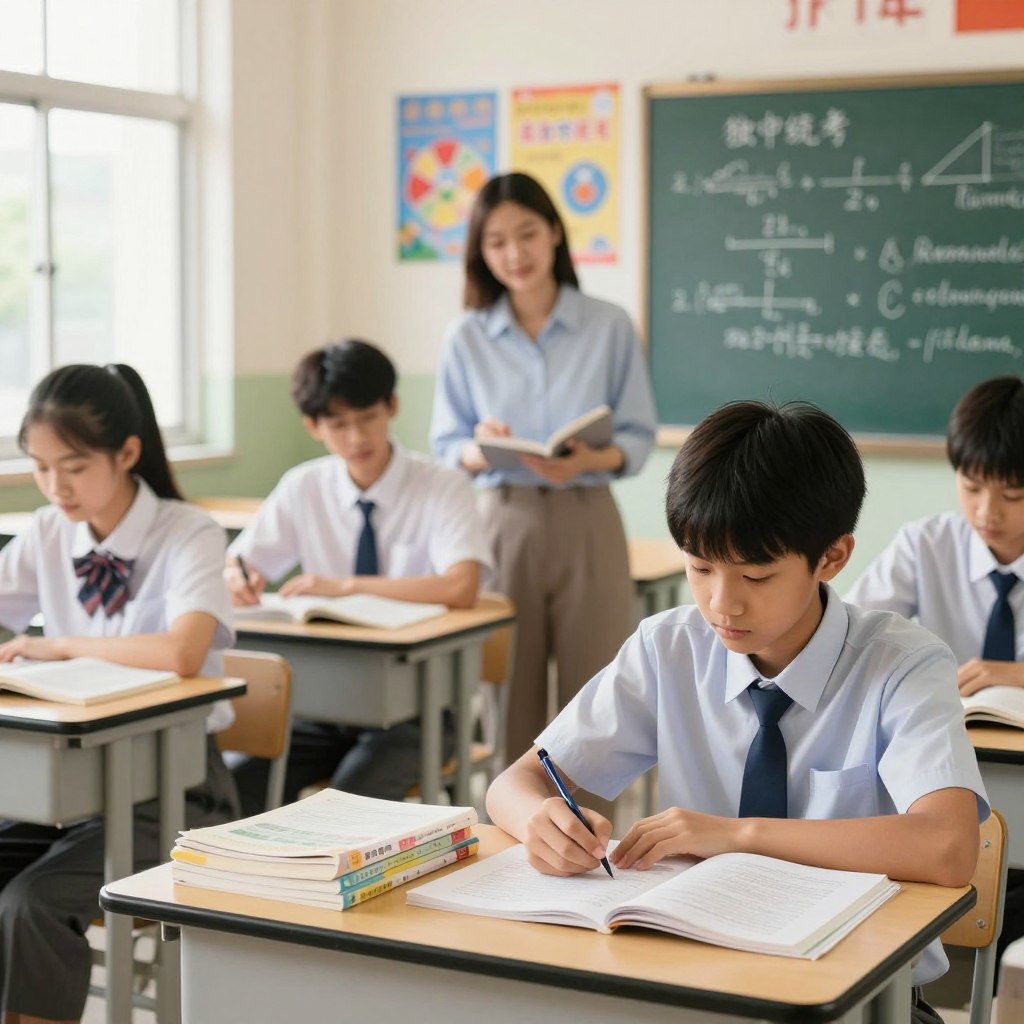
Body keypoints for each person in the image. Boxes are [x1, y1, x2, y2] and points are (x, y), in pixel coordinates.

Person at [486, 399, 986, 1023]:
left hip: (861, 999)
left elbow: (947, 846)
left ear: (831, 557)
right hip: (694, 985)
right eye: (700, 568)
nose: (722, 604)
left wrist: (735, 835)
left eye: (756, 577)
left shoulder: (902, 665)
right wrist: (540, 821)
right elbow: (516, 782)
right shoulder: (670, 647)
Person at [0, 363, 239, 1024]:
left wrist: (59, 643)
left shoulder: (186, 531)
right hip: (65, 787)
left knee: (32, 903)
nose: (55, 487)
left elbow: (183, 651)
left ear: (127, 453)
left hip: (172, 789)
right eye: (41, 467)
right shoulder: (49, 531)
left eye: (73, 467)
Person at [430, 171, 656, 767]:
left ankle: (591, 832)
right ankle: (516, 831)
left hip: (588, 516)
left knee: (596, 690)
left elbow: (637, 434)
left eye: (527, 234)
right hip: (505, 518)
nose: (515, 254)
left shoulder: (608, 325)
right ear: (481, 253)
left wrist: (591, 459)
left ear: (555, 232)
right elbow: (446, 441)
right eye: (496, 241)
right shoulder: (467, 336)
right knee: (508, 690)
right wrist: (481, 447)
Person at [226, 339, 491, 815]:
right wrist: (235, 577)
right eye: (338, 425)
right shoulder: (304, 486)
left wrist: (346, 586)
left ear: (391, 406)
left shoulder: (440, 485)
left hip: (422, 712)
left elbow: (461, 585)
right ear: (313, 427)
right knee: (233, 785)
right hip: (321, 708)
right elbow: (239, 563)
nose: (355, 438)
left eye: (367, 417)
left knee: (346, 804)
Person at [846, 373, 1024, 980]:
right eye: (971, 487)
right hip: (940, 765)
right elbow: (849, 637)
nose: (986, 512)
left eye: (1013, 495)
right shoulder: (926, 544)